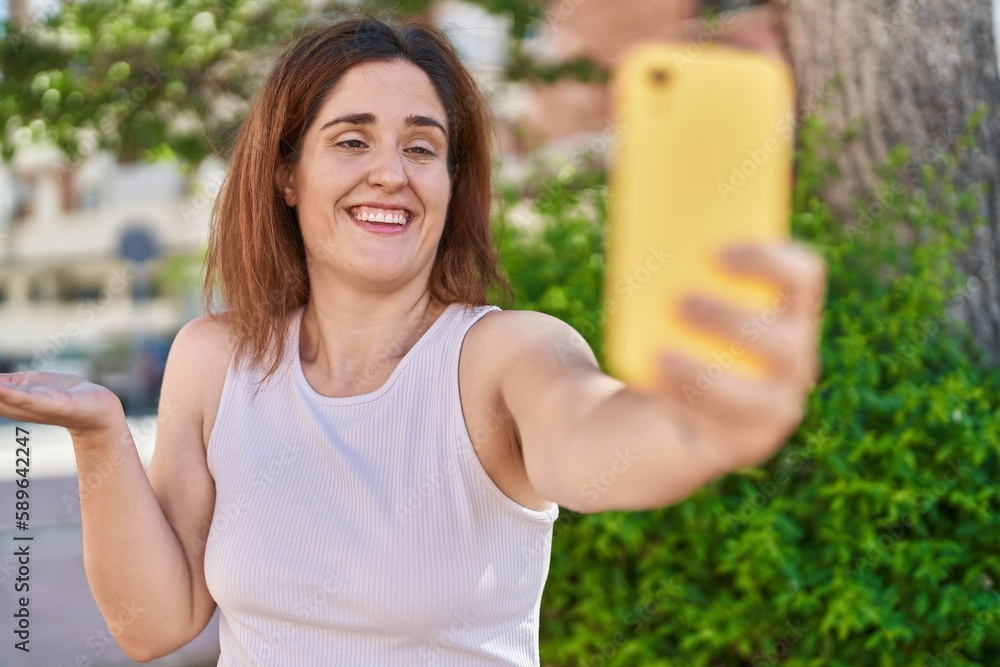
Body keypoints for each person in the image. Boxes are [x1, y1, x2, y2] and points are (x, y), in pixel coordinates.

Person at [0, 16, 825, 666]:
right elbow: (154, 624)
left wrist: (696, 426)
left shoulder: (504, 356)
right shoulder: (215, 359)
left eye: (423, 147)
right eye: (352, 140)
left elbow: (594, 439)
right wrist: (102, 432)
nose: (392, 171)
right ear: (286, 174)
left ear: (451, 182)